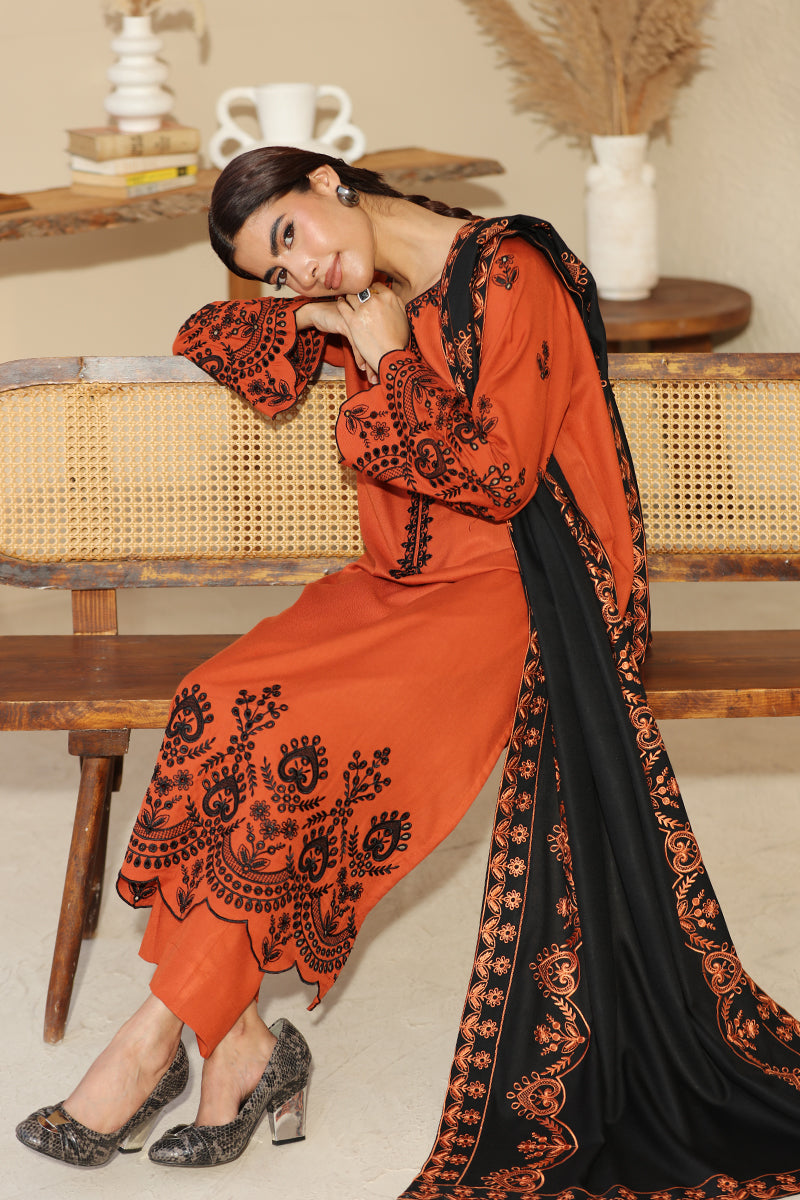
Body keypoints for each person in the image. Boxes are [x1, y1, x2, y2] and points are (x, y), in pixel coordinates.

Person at [15, 147, 800, 1194]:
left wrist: (381, 354)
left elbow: (497, 475)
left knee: (298, 737)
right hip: (399, 584)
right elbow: (215, 338)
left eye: (292, 235)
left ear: (335, 181)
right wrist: (321, 309)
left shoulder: (511, 271)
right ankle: (238, 1038)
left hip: (523, 590)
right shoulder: (354, 285)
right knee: (219, 700)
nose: (297, 271)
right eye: (274, 269)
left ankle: (153, 1044)